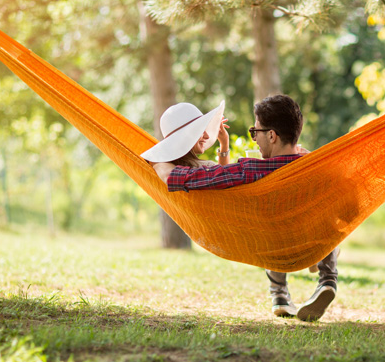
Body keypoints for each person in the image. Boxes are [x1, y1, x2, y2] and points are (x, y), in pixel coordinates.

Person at [145, 95, 340, 322]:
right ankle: (328, 279)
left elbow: (182, 178)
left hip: (273, 248)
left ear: (271, 135)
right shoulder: (317, 168)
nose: (254, 138)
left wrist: (159, 162)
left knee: (273, 220)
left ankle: (278, 292)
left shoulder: (248, 170)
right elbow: (351, 202)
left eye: (255, 132)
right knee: (330, 204)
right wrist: (311, 160)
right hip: (312, 243)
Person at [141, 101, 230, 167]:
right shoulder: (206, 168)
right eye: (200, 131)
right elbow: (225, 180)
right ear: (186, 137)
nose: (207, 136)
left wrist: (224, 143)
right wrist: (224, 143)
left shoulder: (164, 166)